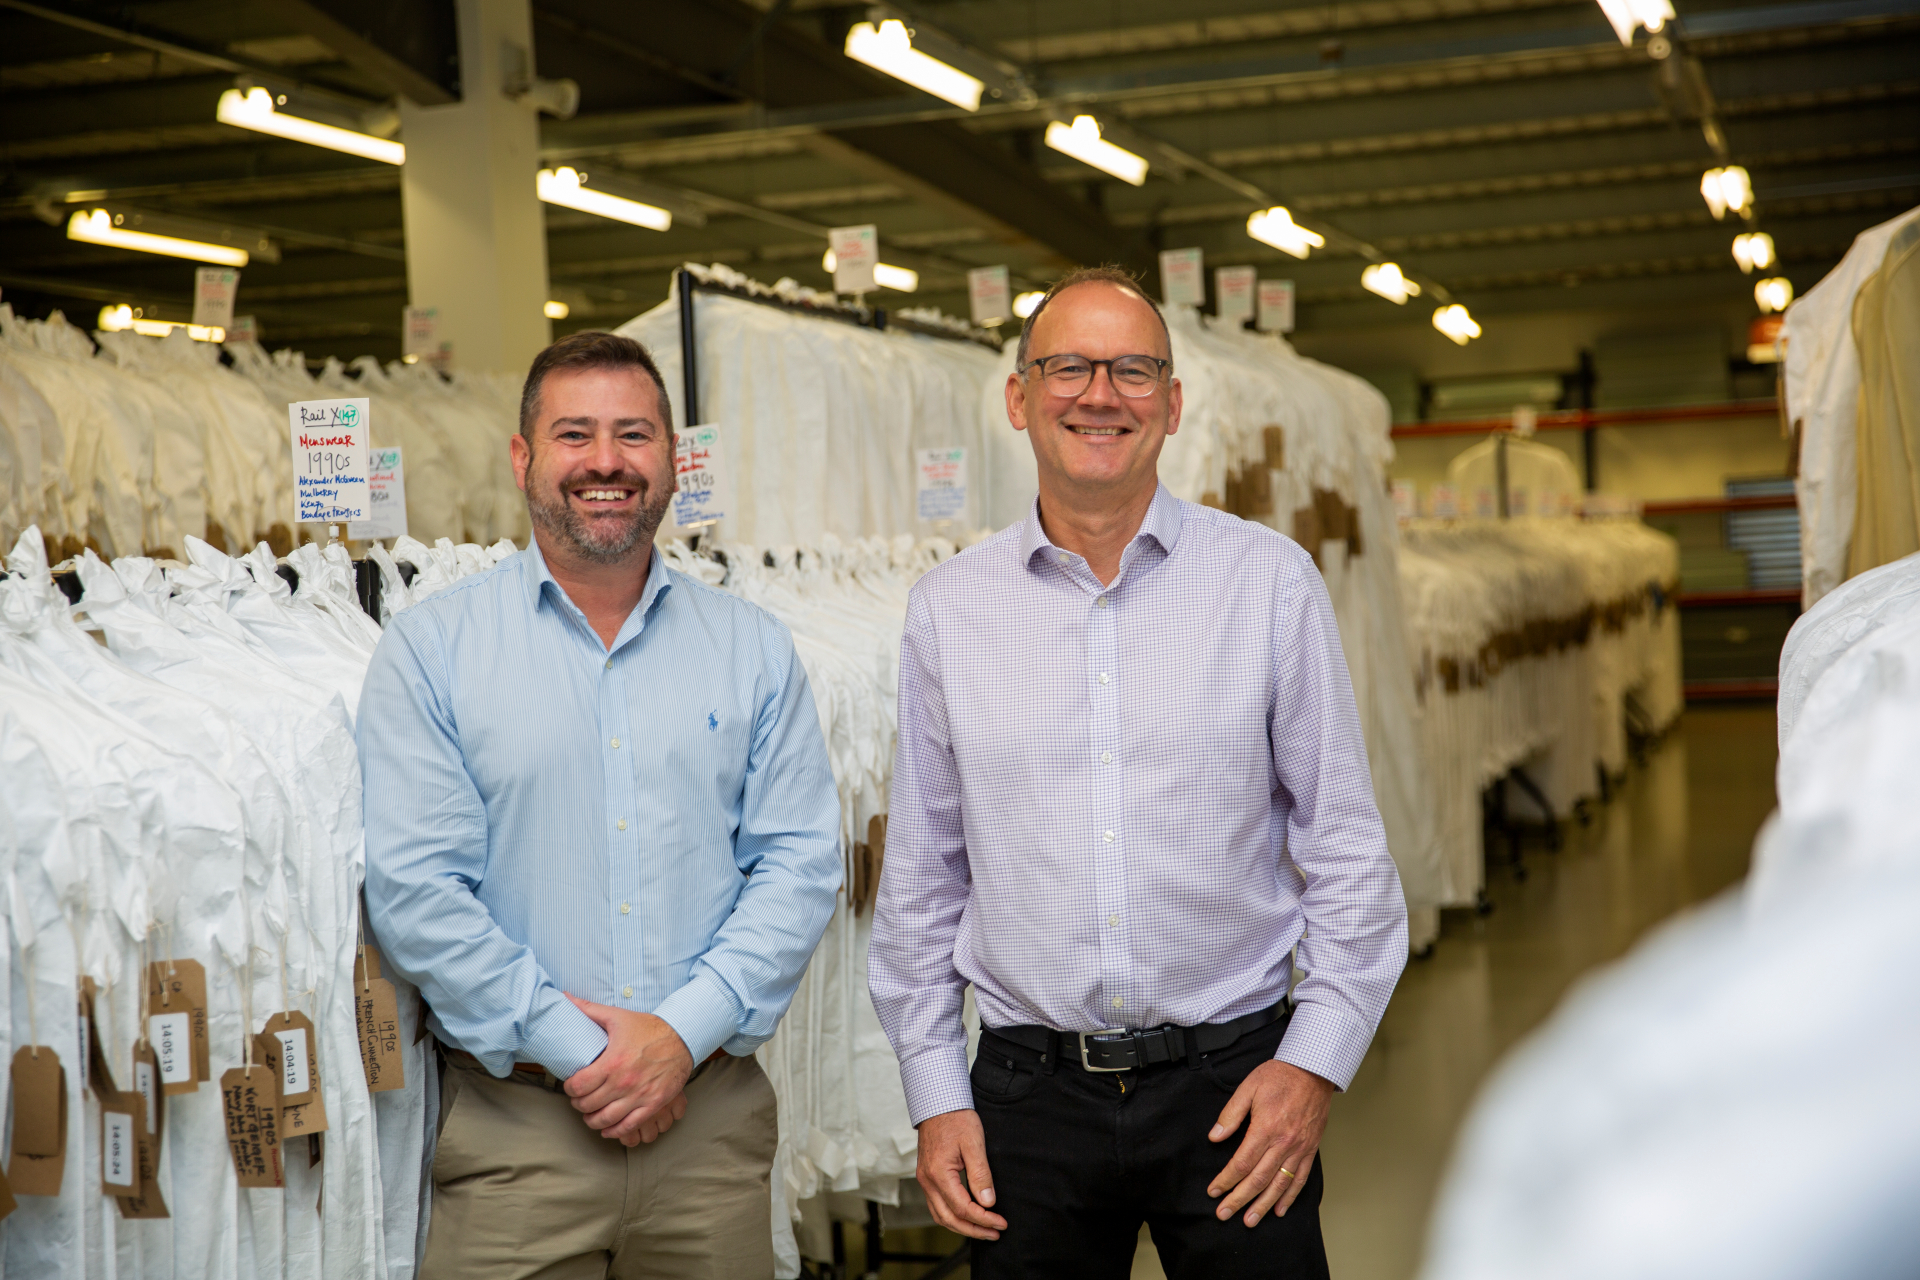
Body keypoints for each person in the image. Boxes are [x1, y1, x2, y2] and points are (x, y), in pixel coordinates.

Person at [868, 267, 1408, 1278]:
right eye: (1068, 366)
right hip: (1028, 1103)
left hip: (1235, 1086)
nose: (1099, 394)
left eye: (1131, 370)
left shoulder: (1269, 582)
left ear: (1171, 402)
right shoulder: (948, 608)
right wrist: (937, 1090)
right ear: (1019, 397)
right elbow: (924, 877)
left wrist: (1313, 1064)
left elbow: (1344, 848)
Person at [358, 331, 843, 1279]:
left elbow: (798, 867)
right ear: (523, 457)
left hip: (711, 1136)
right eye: (574, 434)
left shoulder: (754, 649)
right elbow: (419, 893)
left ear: (672, 459)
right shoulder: (431, 651)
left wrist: (681, 1036)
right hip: (515, 1144)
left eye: (634, 434)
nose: (607, 463)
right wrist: (585, 1052)